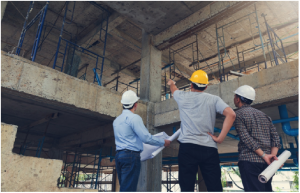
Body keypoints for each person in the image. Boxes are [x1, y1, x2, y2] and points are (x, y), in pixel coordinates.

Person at [167, 70, 236, 192]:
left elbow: (173, 89)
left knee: (187, 187)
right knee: (214, 186)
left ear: (191, 85)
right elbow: (231, 114)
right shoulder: (214, 99)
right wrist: (220, 138)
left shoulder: (182, 96)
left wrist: (171, 82)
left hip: (187, 148)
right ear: (206, 86)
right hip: (209, 148)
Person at [113, 90, 171, 192]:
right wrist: (163, 142)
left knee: (124, 187)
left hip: (119, 156)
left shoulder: (116, 120)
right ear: (135, 104)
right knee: (129, 189)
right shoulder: (134, 118)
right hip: (130, 156)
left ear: (123, 104)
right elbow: (146, 138)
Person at [231, 85, 281, 192]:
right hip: (268, 165)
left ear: (238, 99)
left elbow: (246, 139)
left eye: (234, 96)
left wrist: (264, 155)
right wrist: (272, 157)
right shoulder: (265, 116)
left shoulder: (238, 115)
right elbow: (276, 138)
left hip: (249, 161)